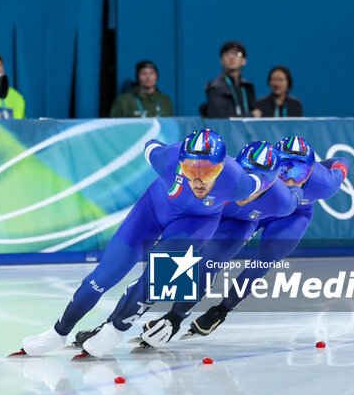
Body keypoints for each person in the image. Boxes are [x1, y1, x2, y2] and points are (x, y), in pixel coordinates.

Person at [15, 129, 260, 357]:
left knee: (157, 278)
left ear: (220, 168)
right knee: (103, 276)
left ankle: (116, 329)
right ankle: (58, 332)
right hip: (152, 210)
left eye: (206, 172)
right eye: (189, 170)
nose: (197, 181)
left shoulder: (239, 181)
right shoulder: (168, 157)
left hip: (195, 223)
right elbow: (150, 144)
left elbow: (268, 186)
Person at [80, 140, 303, 354]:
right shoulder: (224, 175)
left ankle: (175, 317)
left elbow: (299, 196)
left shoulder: (282, 201)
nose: (251, 193)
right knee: (163, 270)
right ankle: (111, 324)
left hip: (240, 225)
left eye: (262, 185)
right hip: (204, 217)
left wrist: (177, 317)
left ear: (273, 183)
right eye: (250, 179)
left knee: (207, 265)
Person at [140, 136, 347, 345]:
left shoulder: (325, 184)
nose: (291, 180)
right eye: (284, 171)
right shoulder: (243, 180)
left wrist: (323, 166)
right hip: (248, 214)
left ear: (311, 171)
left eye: (300, 172)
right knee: (206, 256)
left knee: (268, 256)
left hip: (292, 214)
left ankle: (221, 310)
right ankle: (164, 311)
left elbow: (342, 161)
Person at [202, 41, 256, 118]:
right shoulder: (214, 87)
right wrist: (251, 115)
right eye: (227, 54)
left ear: (244, 61)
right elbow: (220, 118)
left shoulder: (247, 87)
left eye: (237, 54)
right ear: (221, 61)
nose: (231, 57)